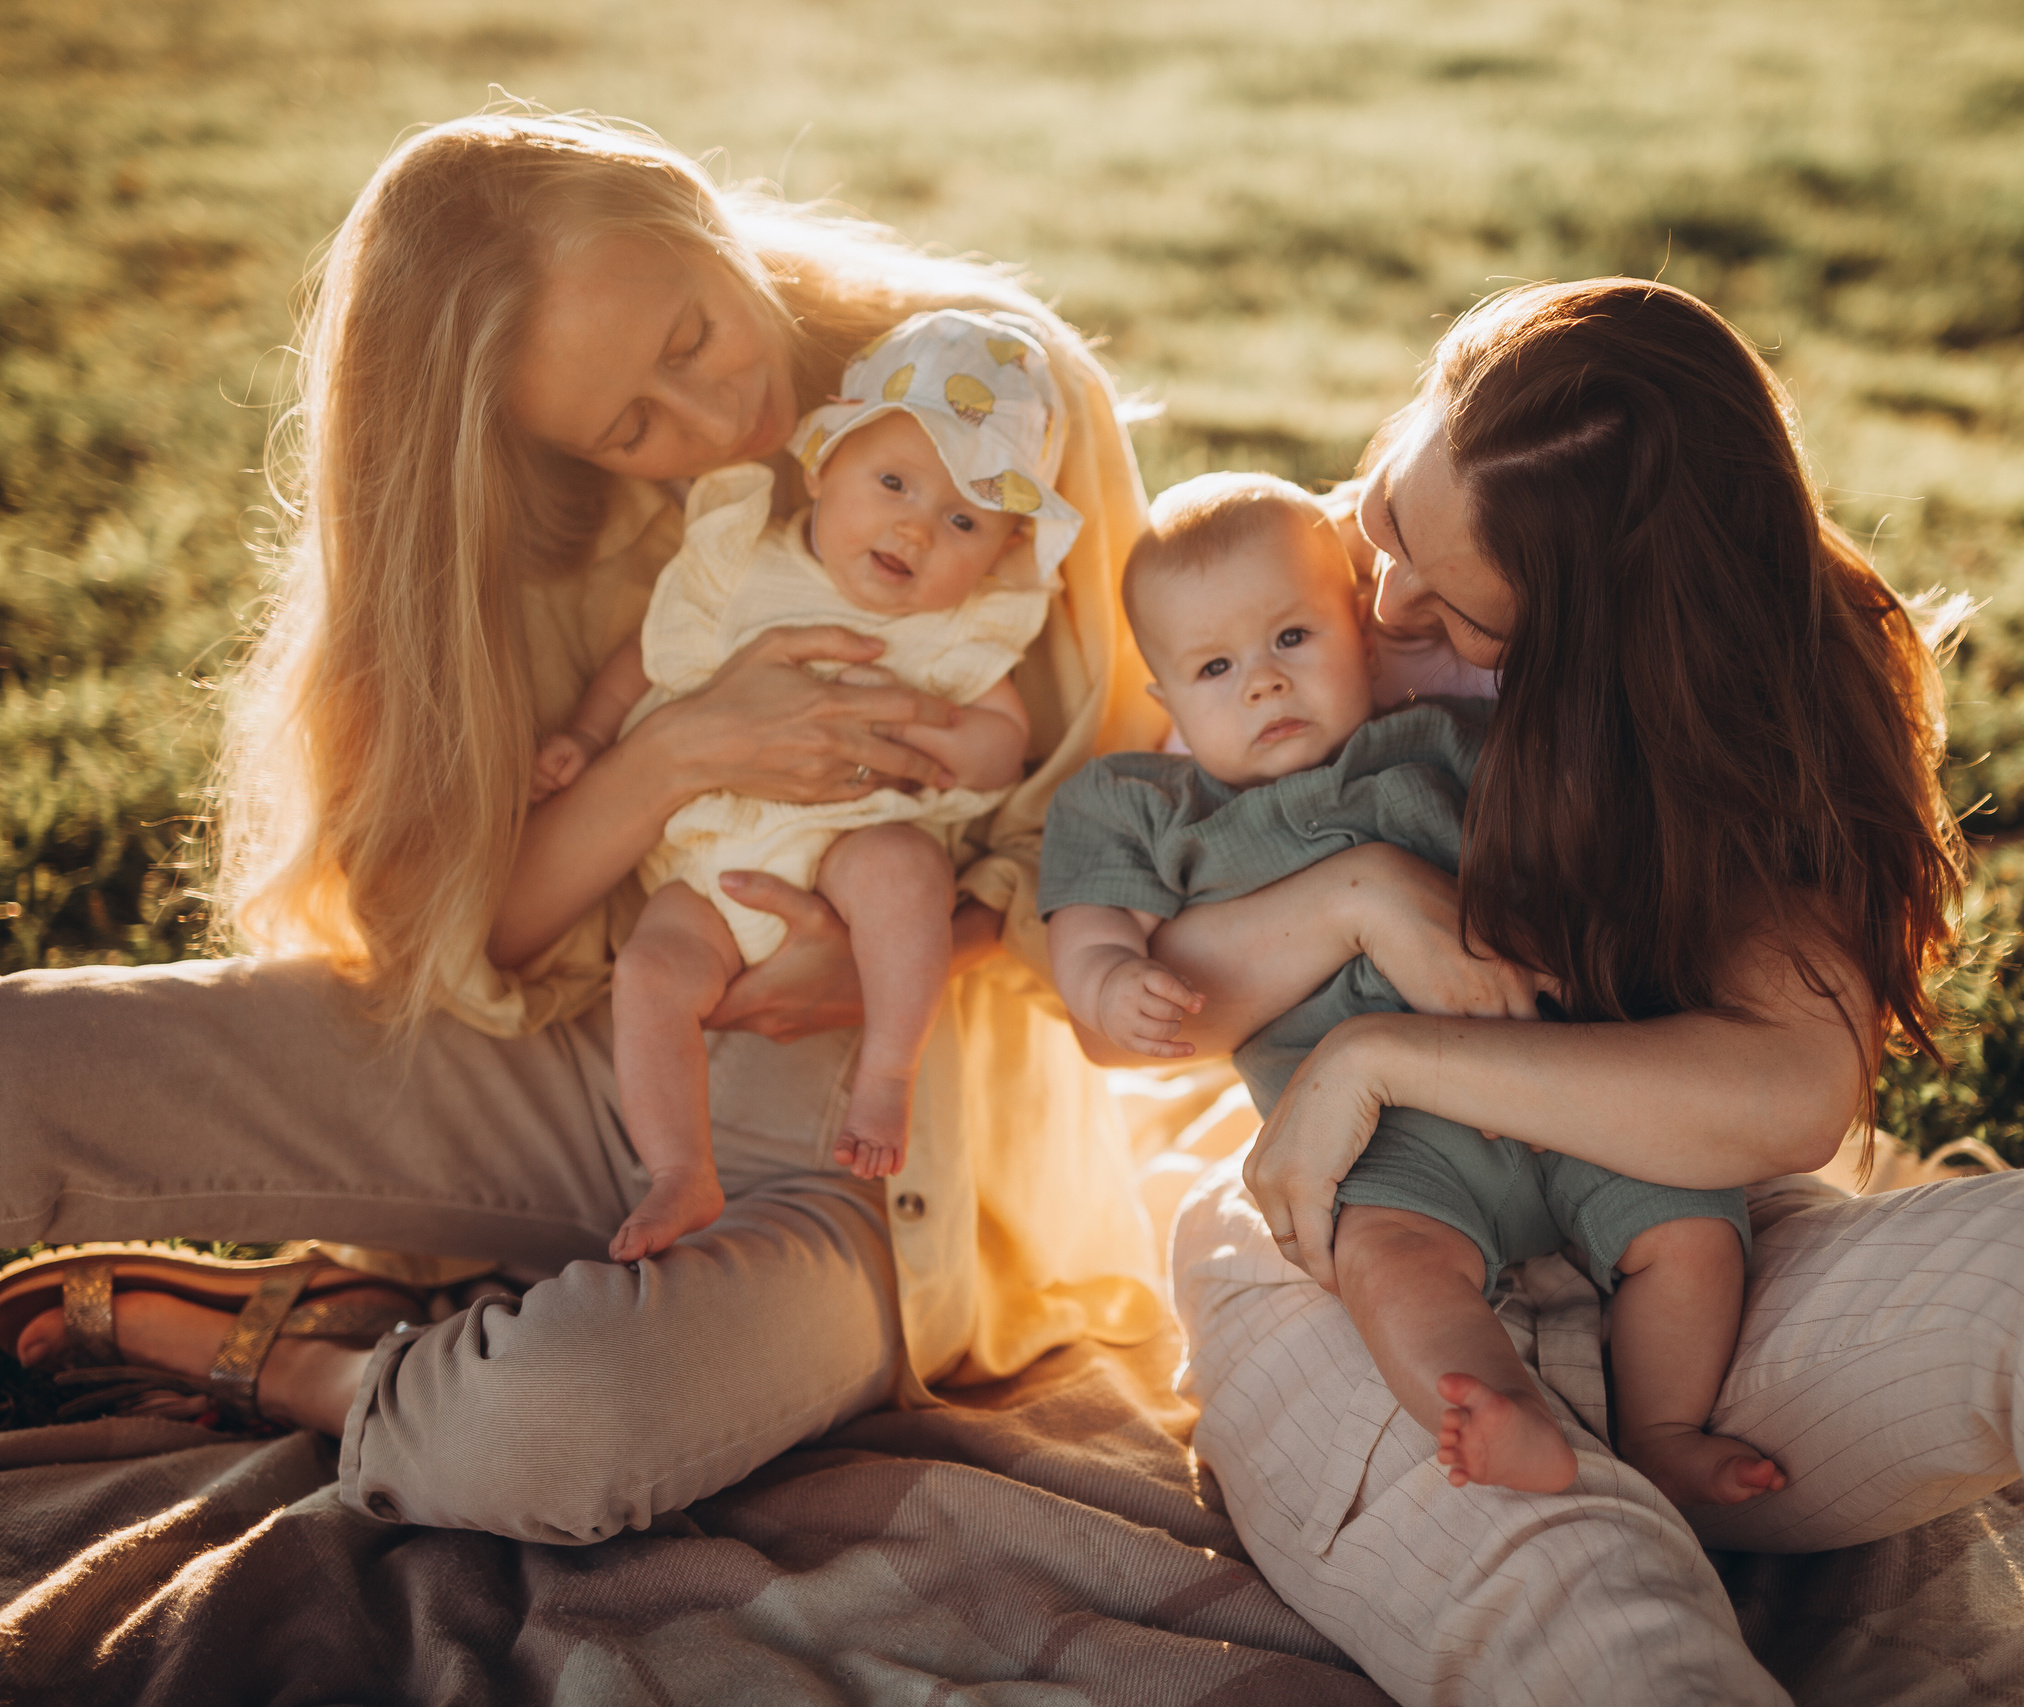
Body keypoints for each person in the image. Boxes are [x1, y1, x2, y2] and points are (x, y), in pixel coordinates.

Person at [1145, 280, 2024, 1706]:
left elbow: (1793, 1087)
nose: (1388, 600)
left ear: (1608, 647)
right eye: (1391, 518)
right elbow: (1134, 991)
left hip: (1677, 1247)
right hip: (1357, 1245)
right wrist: (1354, 901)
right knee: (1599, 1608)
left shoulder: (1746, 696)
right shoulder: (1276, 587)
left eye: (1470, 615)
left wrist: (1386, 1050)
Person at [0, 111, 1165, 1545]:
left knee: (552, 1422)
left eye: (691, 332)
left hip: (875, 1143)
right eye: (629, 426)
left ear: (702, 216)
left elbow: (1133, 778)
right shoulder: (516, 521)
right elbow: (462, 928)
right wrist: (676, 747)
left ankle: (310, 1354)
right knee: (25, 1058)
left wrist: (928, 941)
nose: (713, 412)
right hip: (583, 1047)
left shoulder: (997, 393)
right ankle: (441, 1283)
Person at [1043, 472, 1779, 1506]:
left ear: (1361, 630)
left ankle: (1664, 1430)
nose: (1261, 683)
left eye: (1291, 638)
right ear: (1162, 695)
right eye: (1215, 666)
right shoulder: (1141, 806)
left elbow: (1580, 844)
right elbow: (1083, 929)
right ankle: (1494, 1405)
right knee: (1385, 1260)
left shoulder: (1442, 742)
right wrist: (1109, 974)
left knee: (1693, 1224)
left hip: (1553, 1071)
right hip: (1376, 1142)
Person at [528, 308, 1085, 1257]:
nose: (916, 524)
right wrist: (585, 733)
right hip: (709, 871)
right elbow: (650, 657)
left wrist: (956, 737)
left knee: (906, 871)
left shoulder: (960, 631)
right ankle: (679, 1169)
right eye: (894, 481)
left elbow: (1003, 740)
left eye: (964, 519)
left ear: (999, 551)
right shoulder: (742, 564)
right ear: (823, 465)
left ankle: (885, 1072)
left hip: (849, 851)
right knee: (652, 971)